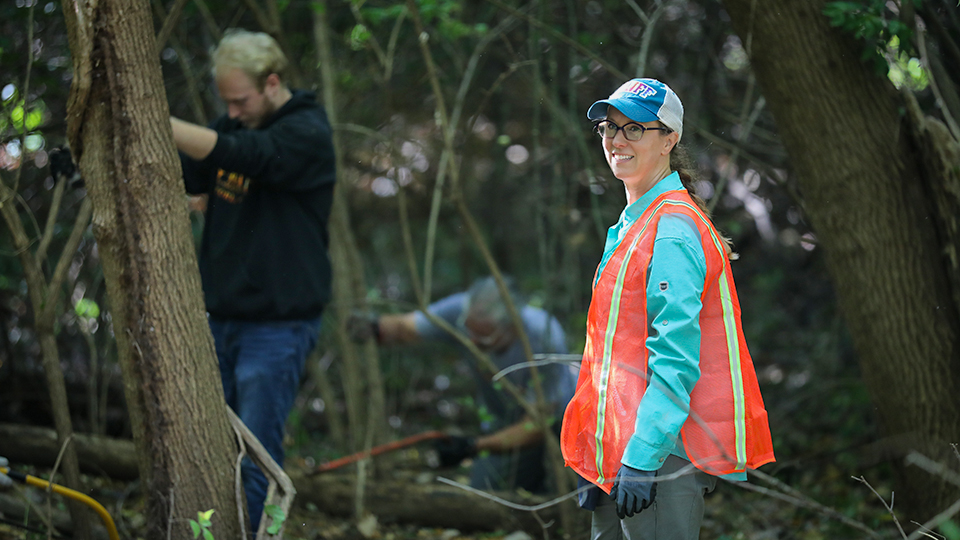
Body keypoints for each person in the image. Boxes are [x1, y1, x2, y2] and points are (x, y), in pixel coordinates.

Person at [560, 78, 774, 539]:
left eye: (634, 128)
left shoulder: (672, 229)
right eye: (608, 128)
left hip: (656, 454)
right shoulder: (631, 223)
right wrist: (596, 453)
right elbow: (613, 358)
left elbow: (676, 358)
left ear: (669, 139)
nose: (616, 140)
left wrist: (642, 456)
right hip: (619, 450)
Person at [171, 29, 335, 532]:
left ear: (271, 83)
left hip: (276, 329)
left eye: (240, 101)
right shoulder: (236, 123)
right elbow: (194, 173)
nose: (234, 112)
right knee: (209, 449)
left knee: (257, 453)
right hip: (219, 320)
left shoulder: (306, 130)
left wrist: (162, 122)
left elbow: (253, 156)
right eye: (227, 103)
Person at [353, 276, 576, 493]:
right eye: (468, 331)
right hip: (504, 422)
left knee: (569, 488)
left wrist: (473, 446)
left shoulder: (543, 336)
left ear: (512, 326)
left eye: (484, 338)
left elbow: (536, 426)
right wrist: (374, 327)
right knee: (485, 492)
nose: (472, 342)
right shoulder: (461, 310)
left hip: (560, 422)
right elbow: (408, 327)